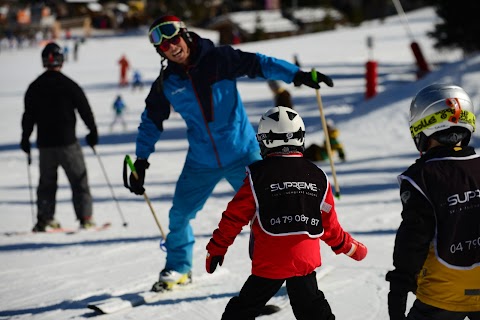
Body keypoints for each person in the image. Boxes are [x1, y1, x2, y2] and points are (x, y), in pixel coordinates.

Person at [124, 15, 334, 292]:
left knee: (271, 210)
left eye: (174, 39)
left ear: (185, 35)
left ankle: (284, 269)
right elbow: (151, 121)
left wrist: (297, 75)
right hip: (201, 161)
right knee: (180, 214)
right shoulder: (166, 84)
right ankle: (179, 267)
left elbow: (260, 63)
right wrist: (141, 160)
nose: (172, 48)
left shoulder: (219, 60)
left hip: (243, 153)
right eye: (163, 47)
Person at [206, 106, 367, 319]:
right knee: (312, 308)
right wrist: (349, 247)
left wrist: (217, 248)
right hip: (303, 260)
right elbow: (329, 226)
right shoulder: (318, 176)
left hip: (270, 261)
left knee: (243, 309)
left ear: (265, 140)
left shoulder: (257, 176)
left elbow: (234, 217)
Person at [386, 84, 480, 320]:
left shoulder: (421, 177)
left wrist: (400, 281)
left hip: (444, 292)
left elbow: (415, 236)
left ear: (422, 128)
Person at [20, 42, 98, 232]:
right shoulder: (69, 85)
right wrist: (92, 130)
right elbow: (84, 109)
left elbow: (28, 116)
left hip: (45, 145)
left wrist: (25, 138)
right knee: (79, 180)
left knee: (46, 183)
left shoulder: (34, 87)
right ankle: (85, 217)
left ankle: (45, 219)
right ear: (61, 60)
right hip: (68, 143)